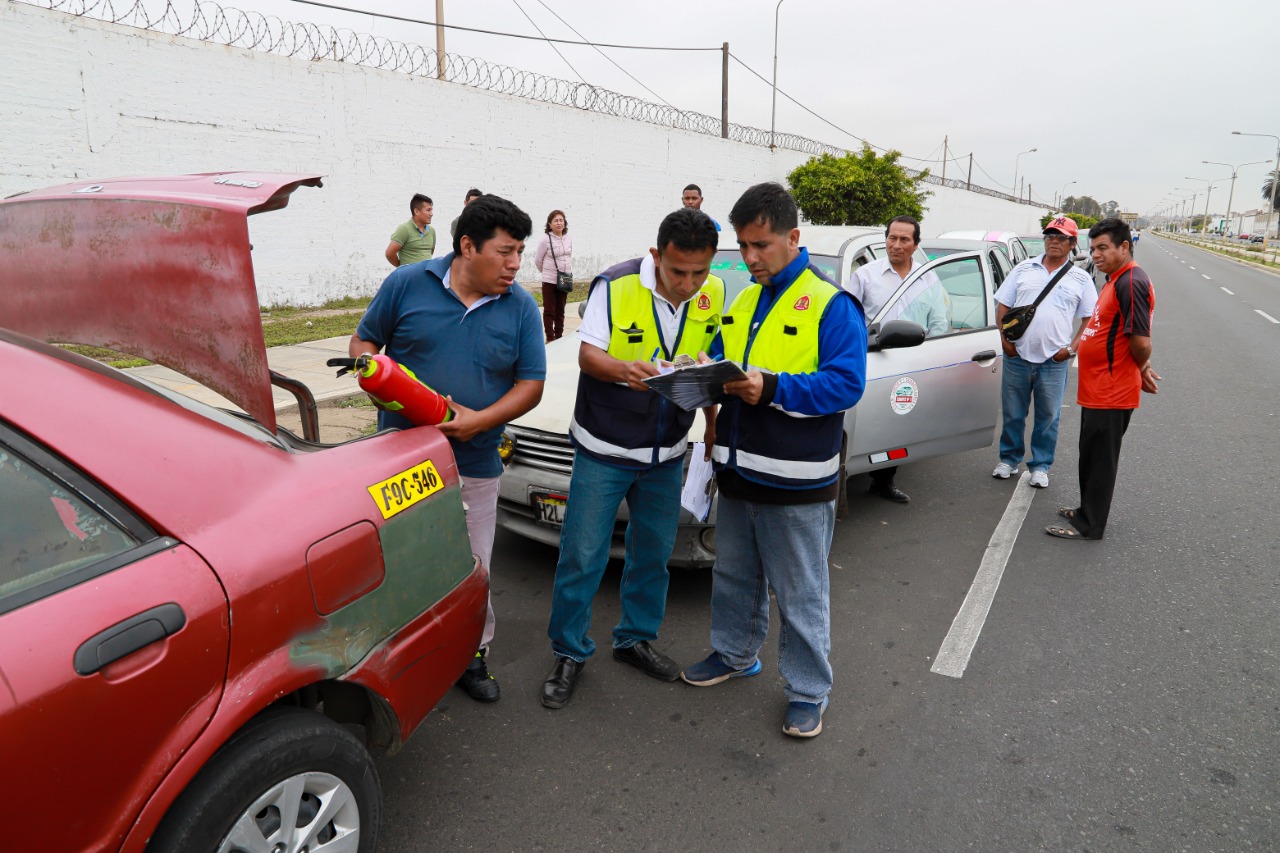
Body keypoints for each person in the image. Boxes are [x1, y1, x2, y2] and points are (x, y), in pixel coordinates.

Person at [680, 183, 867, 739]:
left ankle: (809, 690)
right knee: (734, 575)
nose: (751, 257)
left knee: (800, 590)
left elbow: (845, 383)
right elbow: (723, 360)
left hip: (798, 481)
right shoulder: (743, 300)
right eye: (743, 246)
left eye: (760, 245)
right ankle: (735, 654)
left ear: (792, 237)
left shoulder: (832, 305)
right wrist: (699, 368)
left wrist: (773, 388)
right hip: (738, 471)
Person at [350, 195, 546, 700]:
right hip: (399, 464)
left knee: (473, 567)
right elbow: (364, 343)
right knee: (400, 562)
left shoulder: (520, 306)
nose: (515, 264)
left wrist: (480, 421)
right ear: (466, 245)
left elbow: (531, 385)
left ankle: (472, 654)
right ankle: (395, 658)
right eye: (505, 252)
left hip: (476, 462)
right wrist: (370, 372)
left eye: (520, 252)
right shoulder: (406, 284)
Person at [541, 208, 723, 709]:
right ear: (655, 255)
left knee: (653, 552)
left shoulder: (714, 293)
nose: (689, 284)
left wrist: (710, 422)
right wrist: (625, 370)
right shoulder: (615, 285)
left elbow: (708, 363)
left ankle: (635, 638)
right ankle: (569, 651)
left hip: (668, 451)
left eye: (700, 273)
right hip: (605, 446)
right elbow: (587, 356)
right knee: (582, 554)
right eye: (678, 271)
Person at [1047, 217, 1158, 540]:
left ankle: (1090, 525)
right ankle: (1086, 510)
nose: (1095, 254)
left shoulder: (1131, 281)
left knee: (1101, 460)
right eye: (1093, 248)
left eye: (1103, 248)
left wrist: (1143, 366)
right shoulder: (1114, 278)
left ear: (1125, 247)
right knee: (1090, 454)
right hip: (1098, 388)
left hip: (1113, 390)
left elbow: (1140, 339)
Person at [843, 215, 946, 504]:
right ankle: (856, 468)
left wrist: (935, 358)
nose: (896, 245)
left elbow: (938, 323)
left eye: (904, 240)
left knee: (902, 421)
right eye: (892, 238)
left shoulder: (928, 278)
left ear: (915, 245)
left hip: (913, 363)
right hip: (873, 360)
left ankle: (884, 480)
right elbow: (847, 318)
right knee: (870, 419)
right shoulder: (865, 275)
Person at [993, 216, 1097, 488]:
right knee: (1013, 413)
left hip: (1054, 360)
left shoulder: (1080, 278)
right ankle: (1009, 459)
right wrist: (1005, 341)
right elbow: (1003, 306)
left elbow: (1090, 319)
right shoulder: (1023, 269)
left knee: (1048, 416)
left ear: (1073, 244)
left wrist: (1070, 349)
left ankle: (1040, 465)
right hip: (1018, 356)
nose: (1054, 241)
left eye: (1062, 237)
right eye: (1050, 235)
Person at [533, 209, 573, 342]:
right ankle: (550, 338)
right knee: (550, 310)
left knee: (560, 310)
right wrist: (546, 273)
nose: (559, 223)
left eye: (561, 220)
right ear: (550, 224)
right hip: (549, 279)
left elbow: (568, 257)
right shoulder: (546, 239)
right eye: (555, 220)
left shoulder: (568, 238)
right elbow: (538, 260)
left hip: (565, 278)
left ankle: (559, 337)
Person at [385, 193, 436, 267]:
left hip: (426, 276)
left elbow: (430, 252)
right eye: (428, 210)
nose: (431, 214)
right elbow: (389, 254)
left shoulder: (432, 231)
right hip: (409, 277)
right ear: (416, 211)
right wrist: (402, 268)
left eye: (431, 210)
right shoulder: (404, 229)